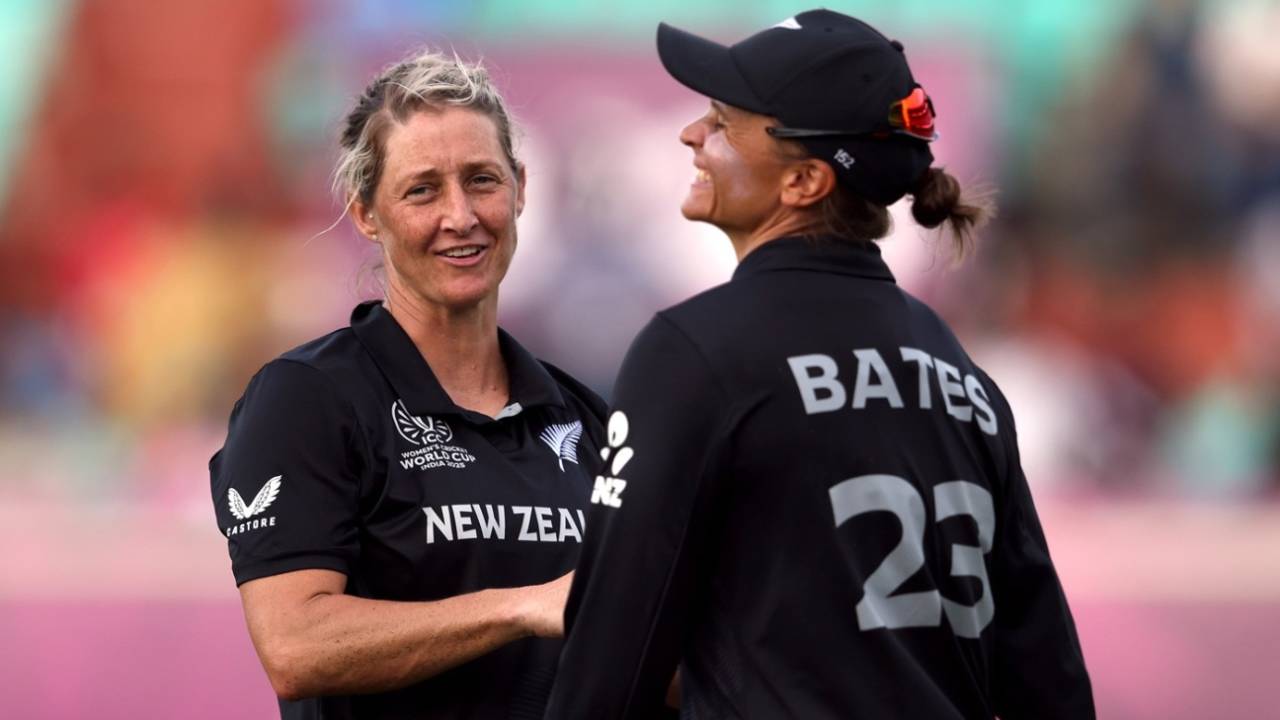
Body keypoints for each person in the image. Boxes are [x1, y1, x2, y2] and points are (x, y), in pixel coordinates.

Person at [546, 10, 1094, 719]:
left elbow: (612, 654)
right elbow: (1047, 675)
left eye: (721, 121)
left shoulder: (695, 353)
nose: (691, 134)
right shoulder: (964, 377)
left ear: (804, 182)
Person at [209, 49, 607, 720]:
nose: (461, 216)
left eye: (482, 180)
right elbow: (296, 646)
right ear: (367, 214)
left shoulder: (585, 416)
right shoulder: (307, 399)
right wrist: (521, 607)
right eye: (423, 189)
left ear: (521, 188)